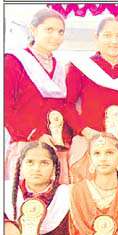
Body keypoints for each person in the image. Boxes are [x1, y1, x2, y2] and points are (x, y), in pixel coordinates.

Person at [65, 17, 118, 189]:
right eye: (107, 35)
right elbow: (67, 105)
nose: (114, 41)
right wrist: (85, 131)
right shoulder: (81, 67)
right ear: (97, 38)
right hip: (88, 144)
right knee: (87, 195)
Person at [4, 9, 70, 184]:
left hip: (56, 148)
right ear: (33, 30)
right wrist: (35, 134)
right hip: (27, 146)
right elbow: (5, 108)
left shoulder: (60, 67)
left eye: (60, 32)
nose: (56, 36)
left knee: (57, 197)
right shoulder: (13, 61)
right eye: (49, 30)